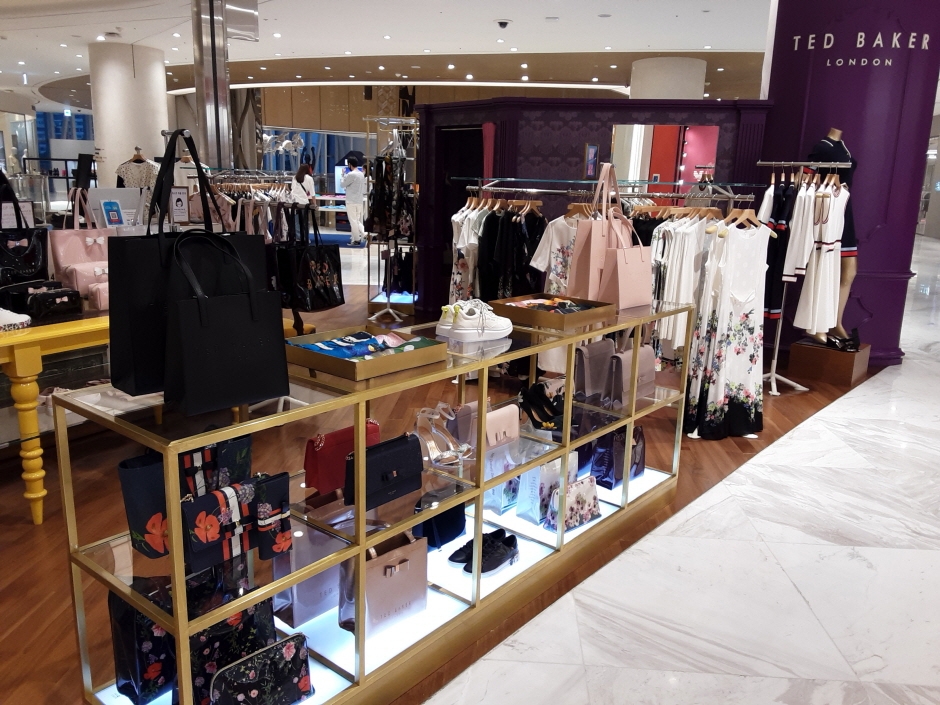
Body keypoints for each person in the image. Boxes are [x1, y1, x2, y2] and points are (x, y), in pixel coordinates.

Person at [341, 157, 367, 245]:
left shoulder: (351, 174)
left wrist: (342, 175)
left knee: (353, 221)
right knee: (356, 220)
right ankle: (364, 233)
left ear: (350, 164)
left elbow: (342, 184)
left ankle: (356, 239)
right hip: (359, 200)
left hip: (351, 201)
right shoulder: (361, 174)